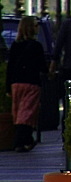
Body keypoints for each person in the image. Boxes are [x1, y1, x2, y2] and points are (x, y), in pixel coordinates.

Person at [6, 16, 47, 152]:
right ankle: (21, 141)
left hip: (16, 83)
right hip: (31, 83)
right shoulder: (36, 46)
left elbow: (10, 67)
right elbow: (42, 66)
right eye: (35, 26)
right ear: (30, 28)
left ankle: (25, 140)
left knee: (18, 113)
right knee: (27, 112)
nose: (37, 28)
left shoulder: (15, 45)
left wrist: (8, 87)